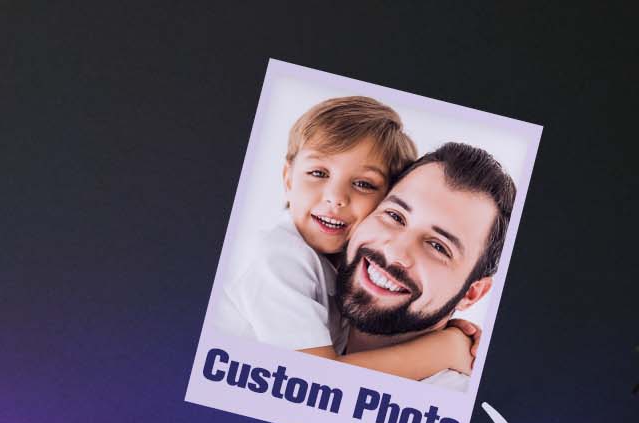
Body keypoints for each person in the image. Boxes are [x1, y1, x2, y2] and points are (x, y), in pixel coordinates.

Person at [221, 98, 475, 382]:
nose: (336, 197)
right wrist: (442, 351)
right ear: (288, 179)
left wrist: (443, 327)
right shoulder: (280, 257)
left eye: (363, 184)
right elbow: (313, 381)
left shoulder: (349, 269)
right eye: (318, 173)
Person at [333, 142, 518, 391]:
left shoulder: (452, 400)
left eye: (438, 246)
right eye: (395, 216)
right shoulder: (302, 290)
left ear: (471, 294)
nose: (395, 252)